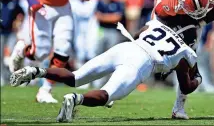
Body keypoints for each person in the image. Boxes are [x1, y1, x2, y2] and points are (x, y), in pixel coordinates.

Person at [10, 18, 198, 122]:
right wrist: (198, 80)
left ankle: (36, 71)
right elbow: (186, 85)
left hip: (125, 48)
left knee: (75, 77)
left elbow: (137, 34)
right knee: (106, 95)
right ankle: (76, 99)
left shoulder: (157, 24)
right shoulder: (186, 51)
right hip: (141, 63)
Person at [149, 0, 214, 119]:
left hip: (193, 5)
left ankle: (179, 106)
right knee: (153, 45)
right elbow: (159, 18)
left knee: (189, 55)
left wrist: (201, 22)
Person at [9, 0, 92, 103]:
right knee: (40, 53)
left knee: (64, 50)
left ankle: (45, 90)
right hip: (41, 5)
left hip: (64, 7)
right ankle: (22, 51)